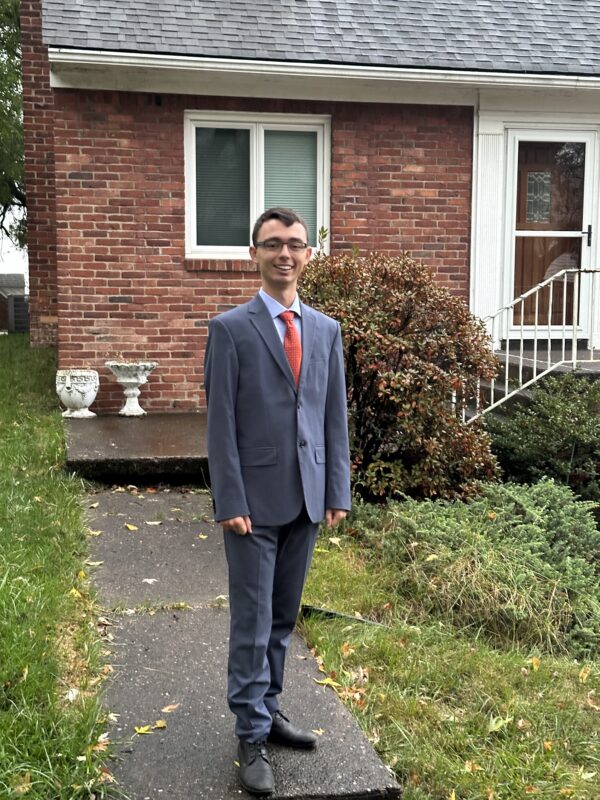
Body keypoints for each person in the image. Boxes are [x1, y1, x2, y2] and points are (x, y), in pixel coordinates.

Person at [204, 207, 351, 796]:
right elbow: (221, 425)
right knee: (252, 620)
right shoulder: (231, 328)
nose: (284, 254)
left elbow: (331, 415)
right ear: (254, 255)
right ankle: (249, 733)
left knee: (284, 618)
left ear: (308, 254)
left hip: (308, 499)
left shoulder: (325, 329)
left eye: (294, 244)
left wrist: (336, 488)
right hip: (253, 506)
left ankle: (270, 710)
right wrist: (229, 499)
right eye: (272, 245)